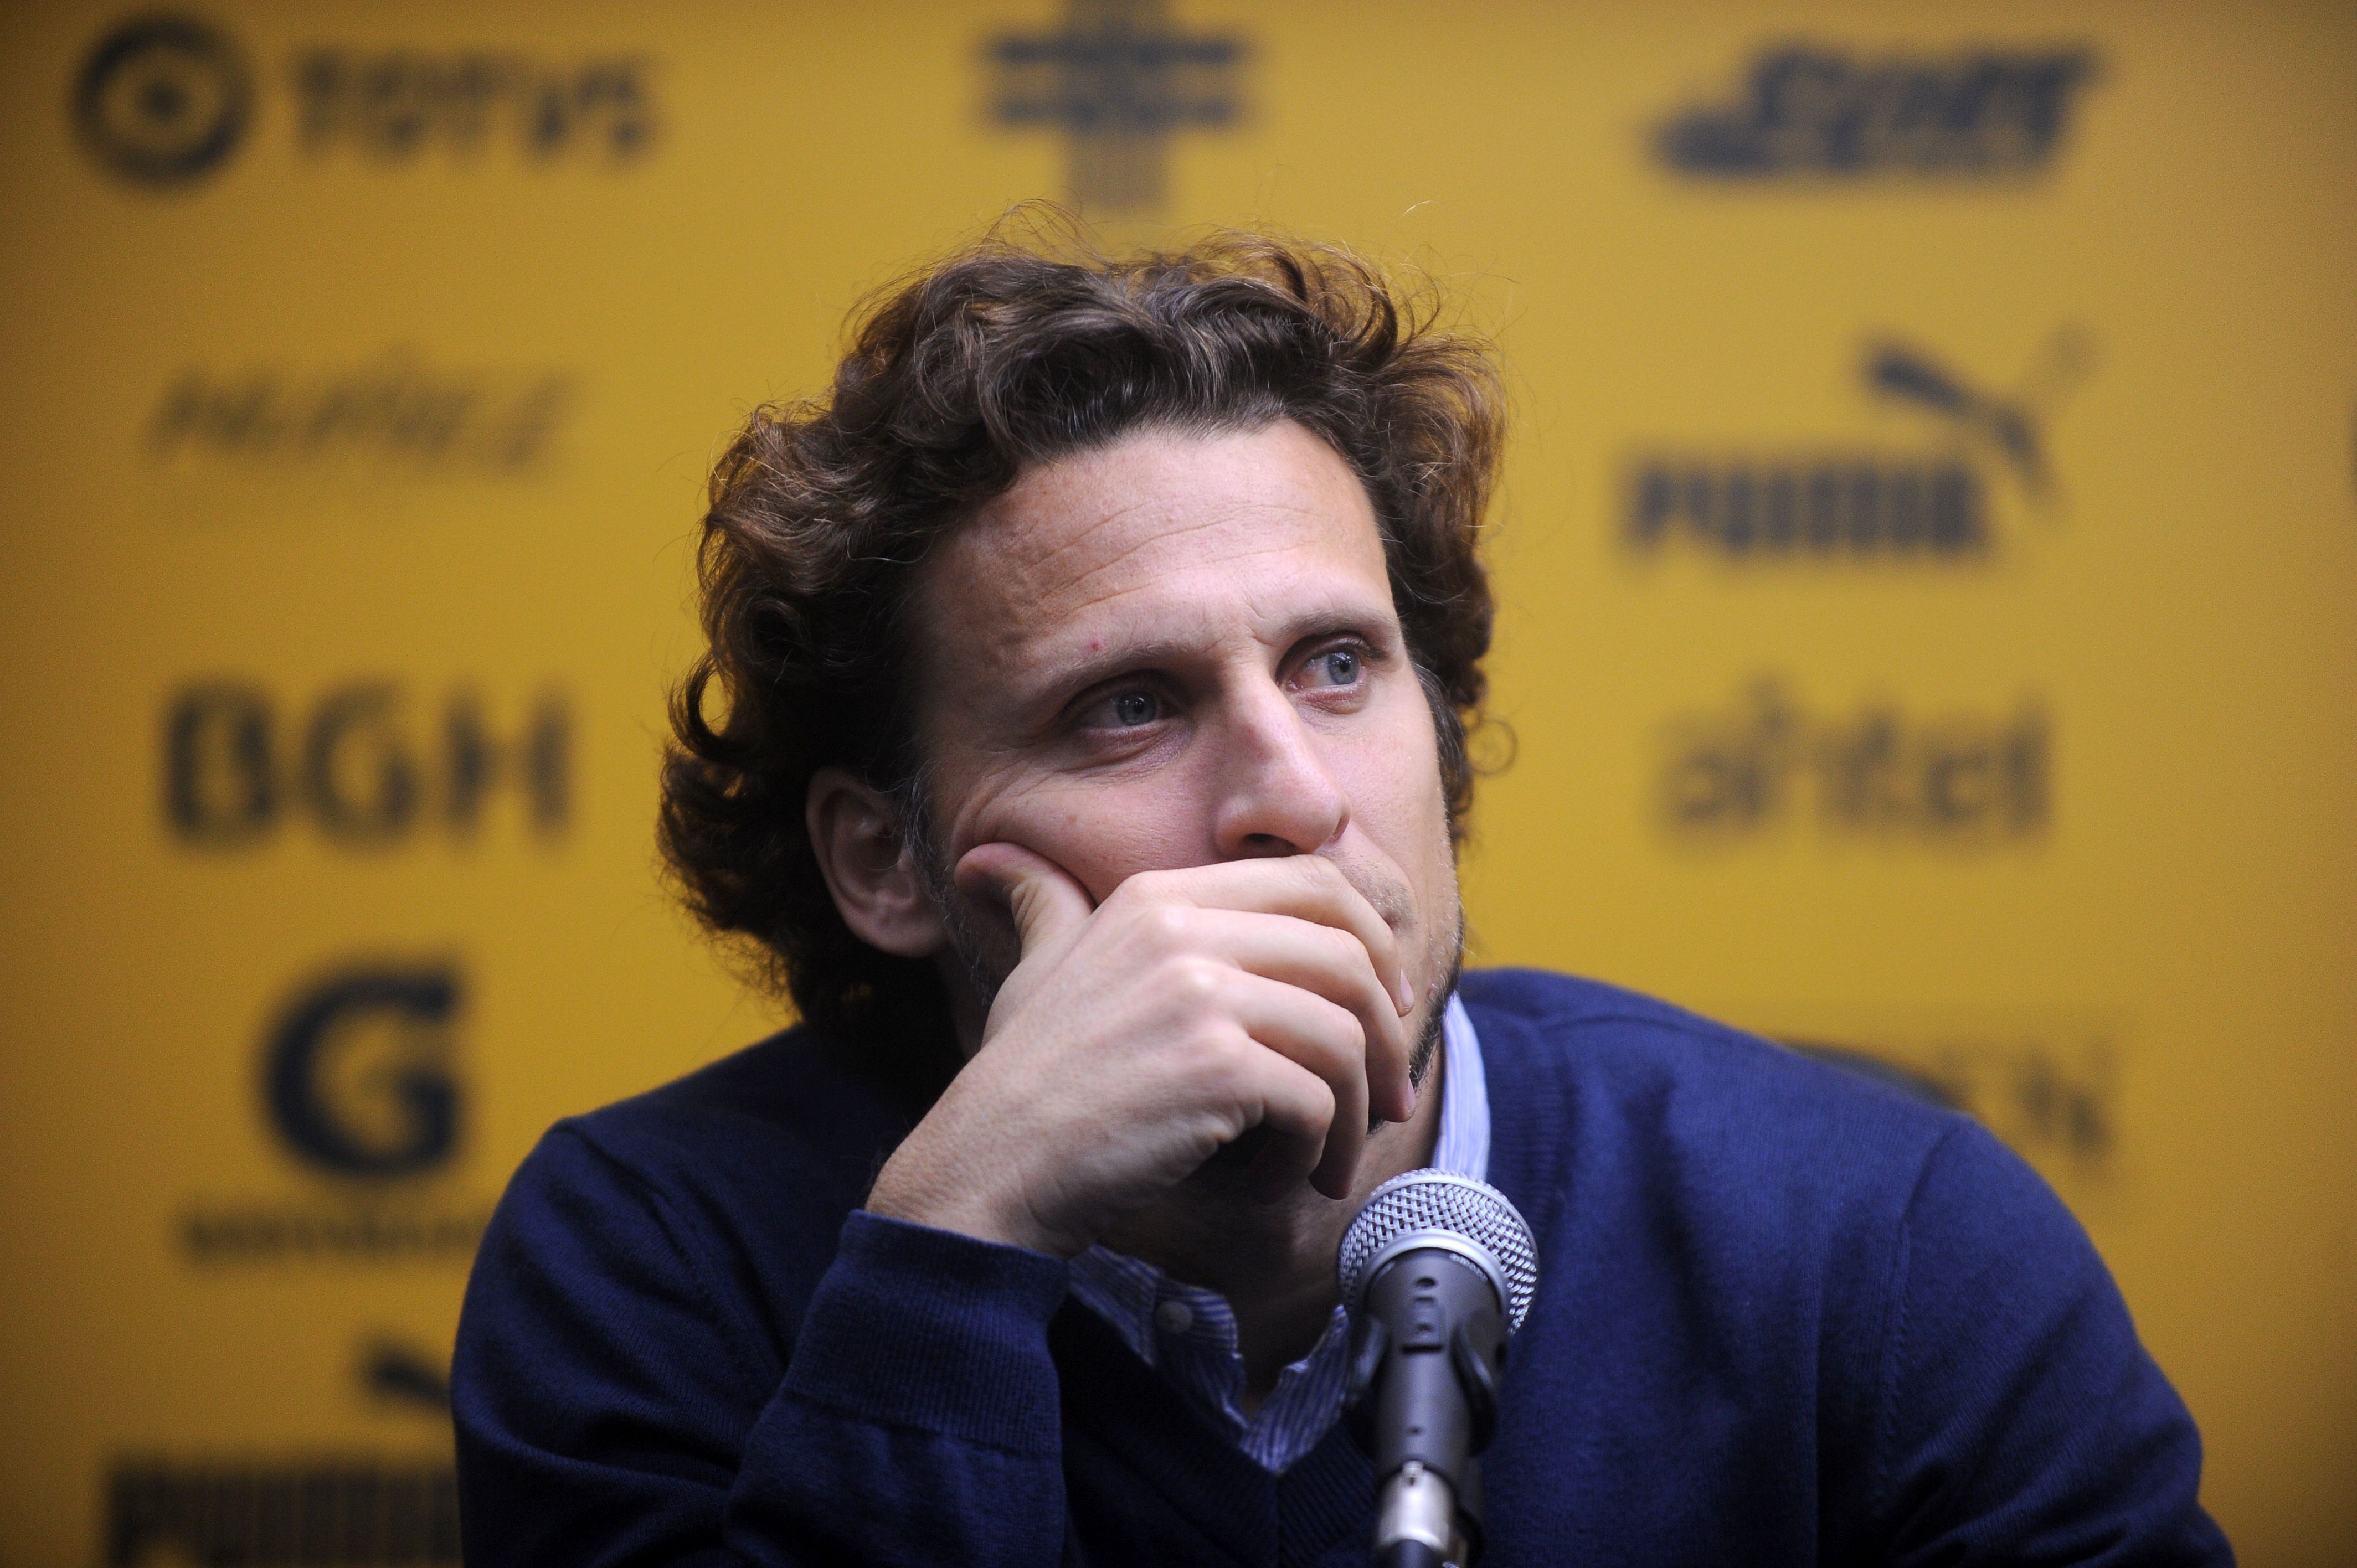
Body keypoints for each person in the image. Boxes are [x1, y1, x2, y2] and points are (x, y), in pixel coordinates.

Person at [452, 229, 2230, 1566]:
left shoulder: (1879, 1242)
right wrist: (957, 1240)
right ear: (882, 859)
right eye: (1125, 707)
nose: (1293, 798)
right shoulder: (650, 1254)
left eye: (1334, 667)